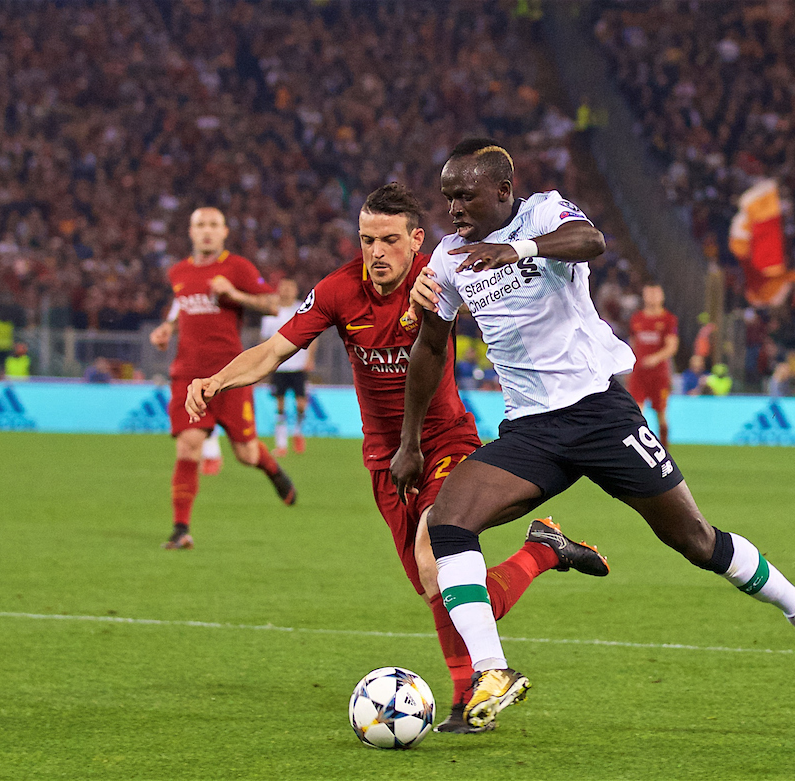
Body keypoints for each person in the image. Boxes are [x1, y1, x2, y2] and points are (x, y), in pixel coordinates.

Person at [395, 139, 795, 730]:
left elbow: (593, 241)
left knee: (694, 540)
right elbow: (431, 347)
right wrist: (410, 442)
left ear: (503, 190)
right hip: (533, 432)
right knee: (449, 520)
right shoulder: (448, 259)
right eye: (447, 197)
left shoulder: (544, 214)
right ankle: (493, 670)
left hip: (601, 415)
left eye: (465, 195)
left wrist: (516, 249)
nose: (453, 208)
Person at [185, 183, 609, 733]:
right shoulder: (339, 290)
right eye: (366, 240)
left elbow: (511, 310)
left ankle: (473, 696)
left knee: (436, 548)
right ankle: (541, 553)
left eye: (388, 240)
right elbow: (274, 350)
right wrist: (218, 380)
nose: (376, 252)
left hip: (445, 441)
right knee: (441, 589)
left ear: (415, 240)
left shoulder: (441, 278)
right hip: (383, 455)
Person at [148, 207, 296, 550]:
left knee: (245, 453)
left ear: (224, 232)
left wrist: (234, 294)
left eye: (213, 225)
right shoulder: (179, 272)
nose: (207, 231)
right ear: (191, 231)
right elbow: (178, 306)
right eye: (200, 225)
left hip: (230, 375)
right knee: (189, 447)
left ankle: (272, 470)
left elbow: (273, 305)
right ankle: (180, 528)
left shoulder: (237, 268)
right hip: (187, 374)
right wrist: (166, 329)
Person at [258, 278, 314, 456]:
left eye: (290, 288)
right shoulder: (271, 313)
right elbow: (264, 341)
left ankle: (297, 432)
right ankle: (281, 443)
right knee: (280, 405)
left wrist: (309, 358)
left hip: (298, 366)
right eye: (284, 288)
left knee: (301, 405)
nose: (287, 291)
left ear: (296, 290)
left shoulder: (302, 309)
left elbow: (313, 337)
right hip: (279, 366)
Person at [626, 283, 679, 445]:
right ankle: (639, 450)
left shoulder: (668, 319)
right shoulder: (637, 319)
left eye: (656, 294)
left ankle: (665, 449)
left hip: (659, 375)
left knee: (661, 414)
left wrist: (655, 358)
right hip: (639, 374)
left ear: (662, 296)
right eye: (649, 294)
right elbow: (632, 343)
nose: (652, 297)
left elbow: (672, 346)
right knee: (636, 413)